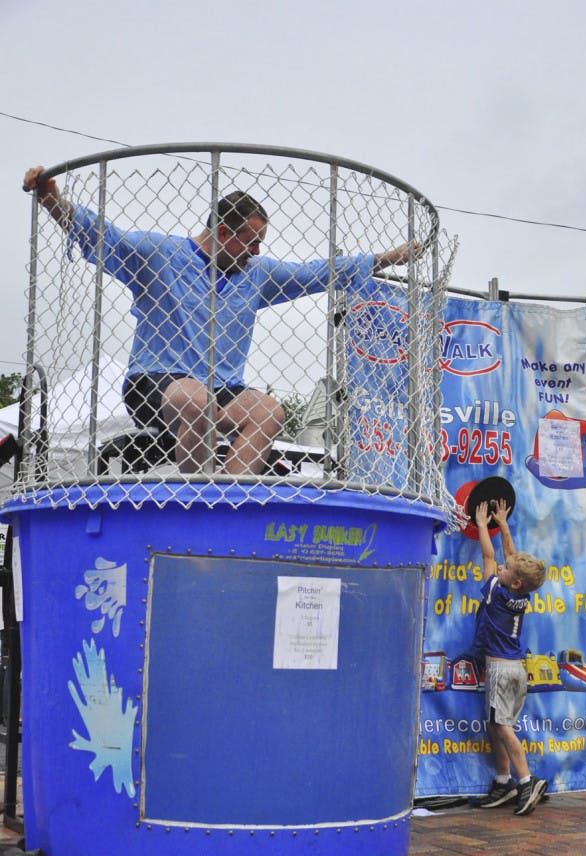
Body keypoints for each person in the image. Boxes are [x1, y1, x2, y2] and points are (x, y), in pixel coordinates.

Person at [23, 165, 413, 474]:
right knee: (194, 398)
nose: (257, 250)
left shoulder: (255, 274)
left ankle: (229, 493)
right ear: (223, 232)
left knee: (268, 411)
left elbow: (315, 272)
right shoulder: (160, 255)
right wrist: (51, 199)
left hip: (220, 387)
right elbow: (104, 236)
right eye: (251, 240)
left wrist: (384, 259)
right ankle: (197, 492)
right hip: (155, 380)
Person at [471, 498, 548, 816]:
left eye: (505, 570)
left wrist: (481, 526)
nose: (500, 568)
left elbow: (490, 556)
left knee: (502, 728)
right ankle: (503, 782)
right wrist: (502, 524)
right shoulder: (520, 594)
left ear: (512, 581)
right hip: (515, 672)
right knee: (496, 724)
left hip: (502, 672)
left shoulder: (496, 592)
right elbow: (510, 558)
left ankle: (526, 782)